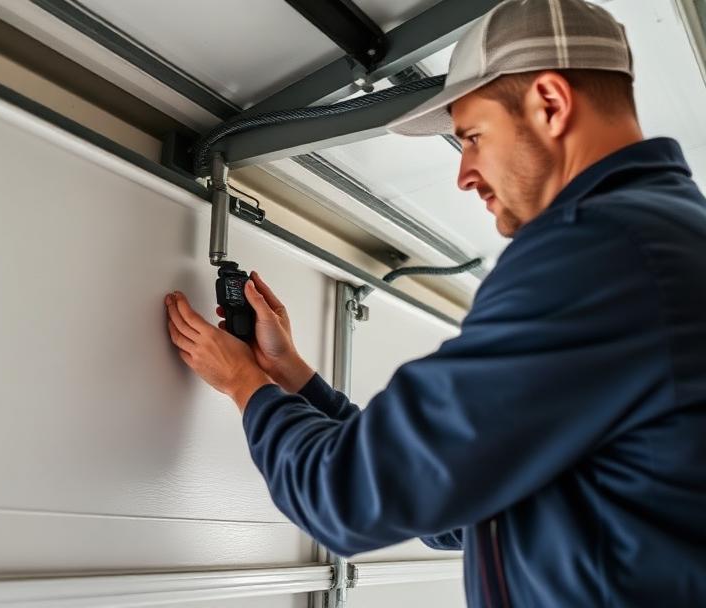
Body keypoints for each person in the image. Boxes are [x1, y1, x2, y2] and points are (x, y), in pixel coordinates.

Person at [164, 0, 706, 605]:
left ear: (551, 104)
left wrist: (246, 388)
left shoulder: (597, 253)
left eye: (473, 136)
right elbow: (450, 501)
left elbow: (347, 498)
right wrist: (289, 377)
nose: (464, 173)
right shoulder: (659, 239)